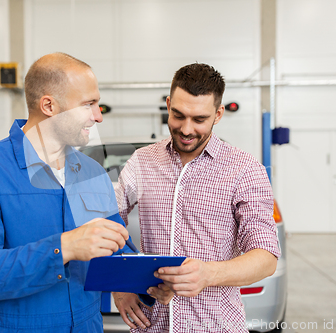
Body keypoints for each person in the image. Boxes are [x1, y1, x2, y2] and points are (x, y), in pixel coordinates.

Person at [0, 53, 135, 333]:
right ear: (49, 105)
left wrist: (144, 280)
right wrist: (64, 248)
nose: (98, 116)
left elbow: (116, 246)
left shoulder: (92, 173)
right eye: (88, 104)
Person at [113, 63, 281, 333]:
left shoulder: (245, 169)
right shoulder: (142, 162)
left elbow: (266, 257)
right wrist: (118, 287)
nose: (187, 129)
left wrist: (209, 274)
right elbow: (108, 223)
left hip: (215, 325)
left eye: (199, 119)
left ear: (218, 114)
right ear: (168, 104)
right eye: (178, 115)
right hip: (152, 325)